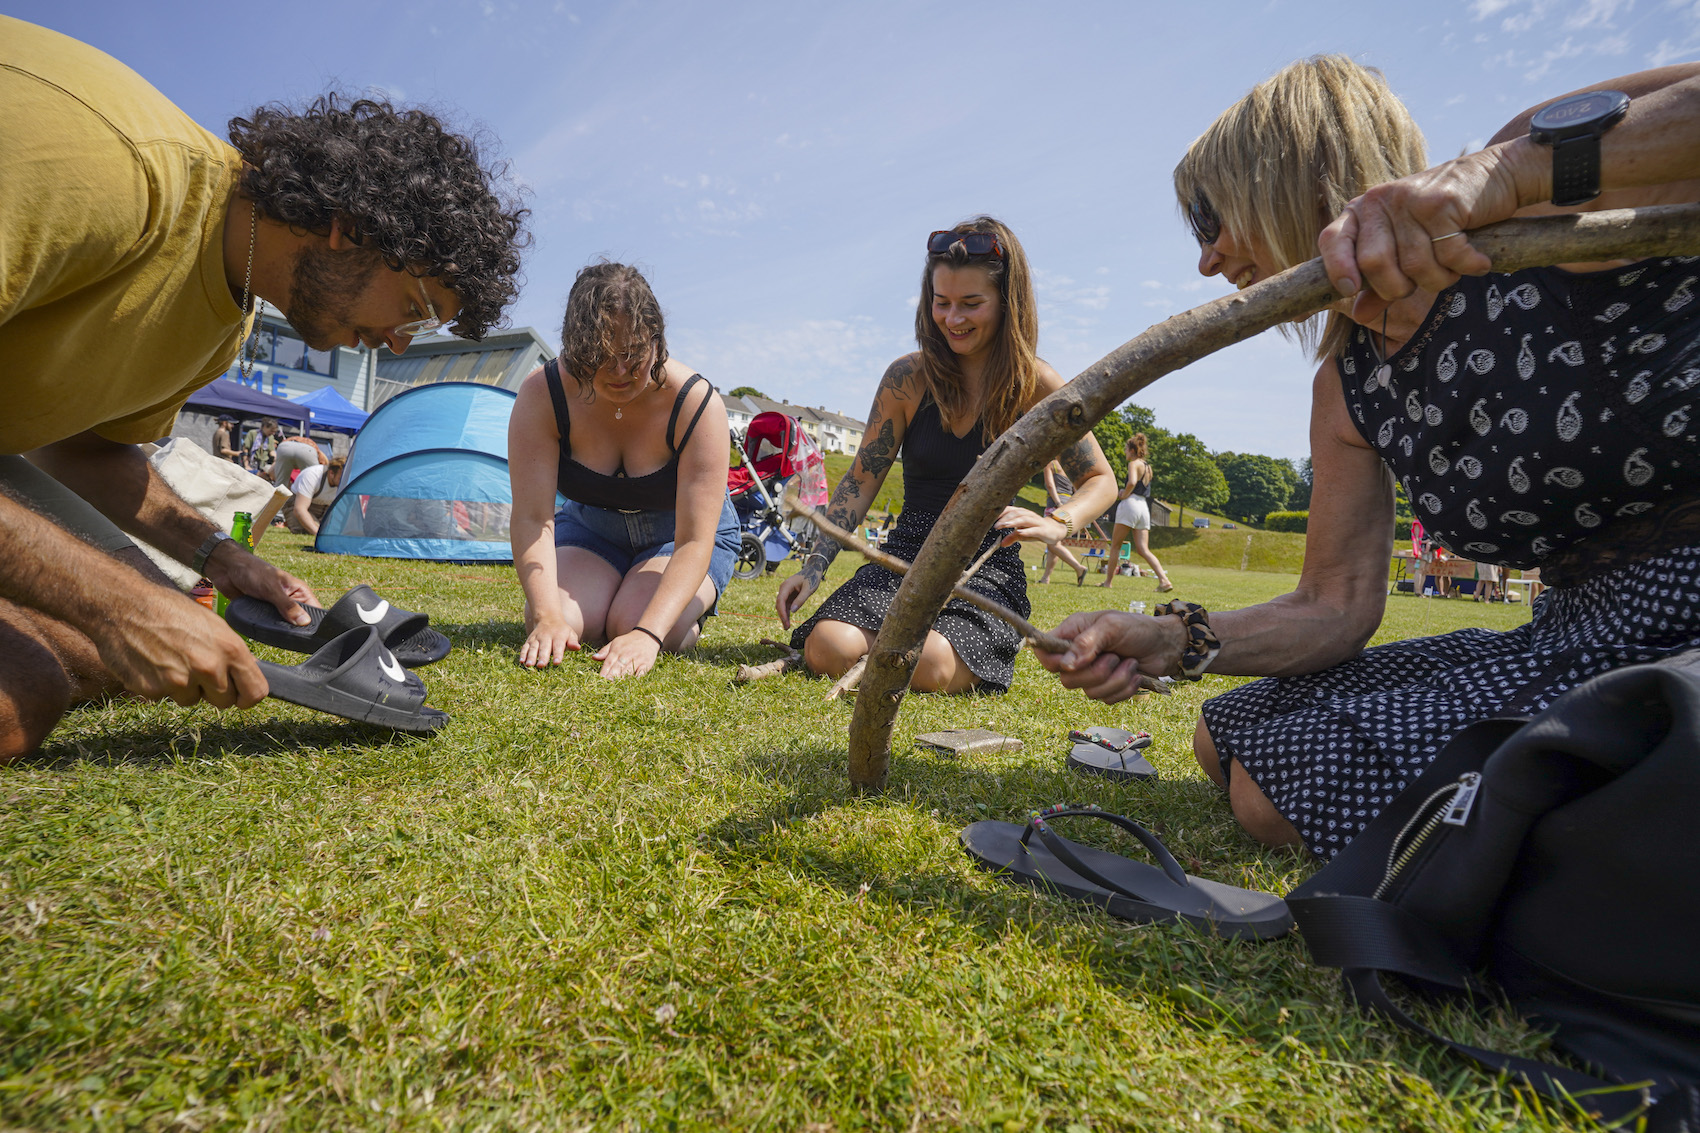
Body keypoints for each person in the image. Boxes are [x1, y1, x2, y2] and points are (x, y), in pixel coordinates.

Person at [1036, 55, 1700, 859]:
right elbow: (1335, 605)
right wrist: (1174, 638)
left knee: (1279, 790)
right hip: (1570, 631)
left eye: (1212, 220)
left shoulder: (1528, 194)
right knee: (1230, 733)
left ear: (1290, 182)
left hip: (1680, 620)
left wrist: (1513, 169)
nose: (1207, 261)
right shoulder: (1347, 385)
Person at [0, 16, 528, 760]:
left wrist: (219, 555)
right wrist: (115, 602)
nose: (401, 343)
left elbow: (88, 451)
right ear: (351, 228)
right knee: (38, 673)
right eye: (413, 310)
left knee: (119, 642)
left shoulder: (227, 320)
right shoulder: (120, 172)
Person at [778, 218, 1117, 693]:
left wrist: (1059, 521)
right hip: (905, 556)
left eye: (971, 304)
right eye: (942, 302)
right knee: (828, 646)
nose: (953, 319)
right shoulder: (906, 379)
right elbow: (861, 480)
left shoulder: (1035, 385)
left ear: (1007, 303)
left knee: (931, 661)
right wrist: (814, 567)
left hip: (985, 566)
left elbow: (1101, 480)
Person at [509, 263, 738, 681]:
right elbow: (531, 517)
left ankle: (672, 614)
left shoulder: (695, 402)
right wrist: (546, 616)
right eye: (597, 355)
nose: (618, 371)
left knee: (634, 625)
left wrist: (649, 634)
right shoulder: (542, 393)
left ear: (657, 339)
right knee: (566, 624)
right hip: (592, 529)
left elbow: (694, 540)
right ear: (572, 345)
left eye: (634, 353)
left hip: (680, 538)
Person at [1099, 433, 1173, 592]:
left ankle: (1108, 582)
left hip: (1130, 504)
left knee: (1115, 546)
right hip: (1143, 507)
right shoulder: (1148, 467)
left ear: (1132, 450)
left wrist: (1123, 494)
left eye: (1126, 449)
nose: (1125, 452)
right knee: (1143, 549)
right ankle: (1164, 580)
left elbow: (1132, 482)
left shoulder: (1134, 464)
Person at [1036, 460, 1090, 585]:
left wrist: (1058, 503)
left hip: (1056, 504)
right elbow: (1076, 489)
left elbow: (1050, 485)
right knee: (1054, 542)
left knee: (1051, 541)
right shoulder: (1071, 466)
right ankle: (1046, 577)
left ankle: (1078, 567)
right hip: (1069, 504)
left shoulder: (1051, 464)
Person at [286, 457, 345, 536]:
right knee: (305, 529)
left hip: (325, 508)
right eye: (341, 476)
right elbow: (299, 509)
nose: (345, 479)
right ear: (331, 473)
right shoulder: (313, 475)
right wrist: (319, 536)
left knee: (333, 532)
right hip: (298, 504)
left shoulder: (347, 481)